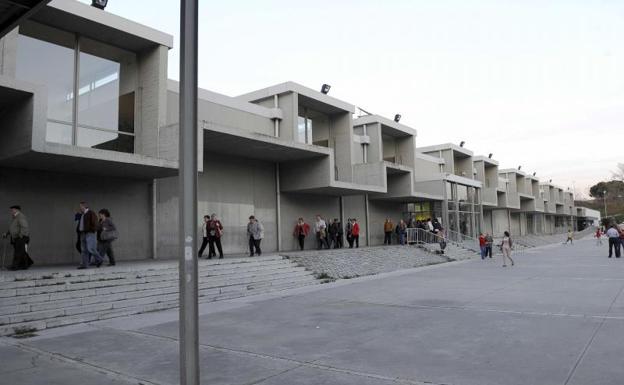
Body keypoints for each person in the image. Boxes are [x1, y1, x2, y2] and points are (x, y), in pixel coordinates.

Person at [3, 205, 33, 270]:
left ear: (17, 210)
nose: (11, 211)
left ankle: (14, 267)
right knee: (21, 252)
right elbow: (13, 227)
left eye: (12, 209)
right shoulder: (15, 217)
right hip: (17, 237)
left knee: (18, 252)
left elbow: (24, 227)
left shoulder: (21, 217)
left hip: (21, 237)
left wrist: (20, 236)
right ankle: (26, 265)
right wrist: (7, 233)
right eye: (11, 210)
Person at [77, 202, 103, 269]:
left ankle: (99, 259)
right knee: (84, 250)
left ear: (84, 206)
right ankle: (84, 265)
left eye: (80, 206)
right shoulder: (82, 214)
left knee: (91, 248)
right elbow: (78, 221)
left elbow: (95, 223)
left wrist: (92, 230)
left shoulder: (91, 213)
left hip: (89, 233)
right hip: (82, 233)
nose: (80, 208)